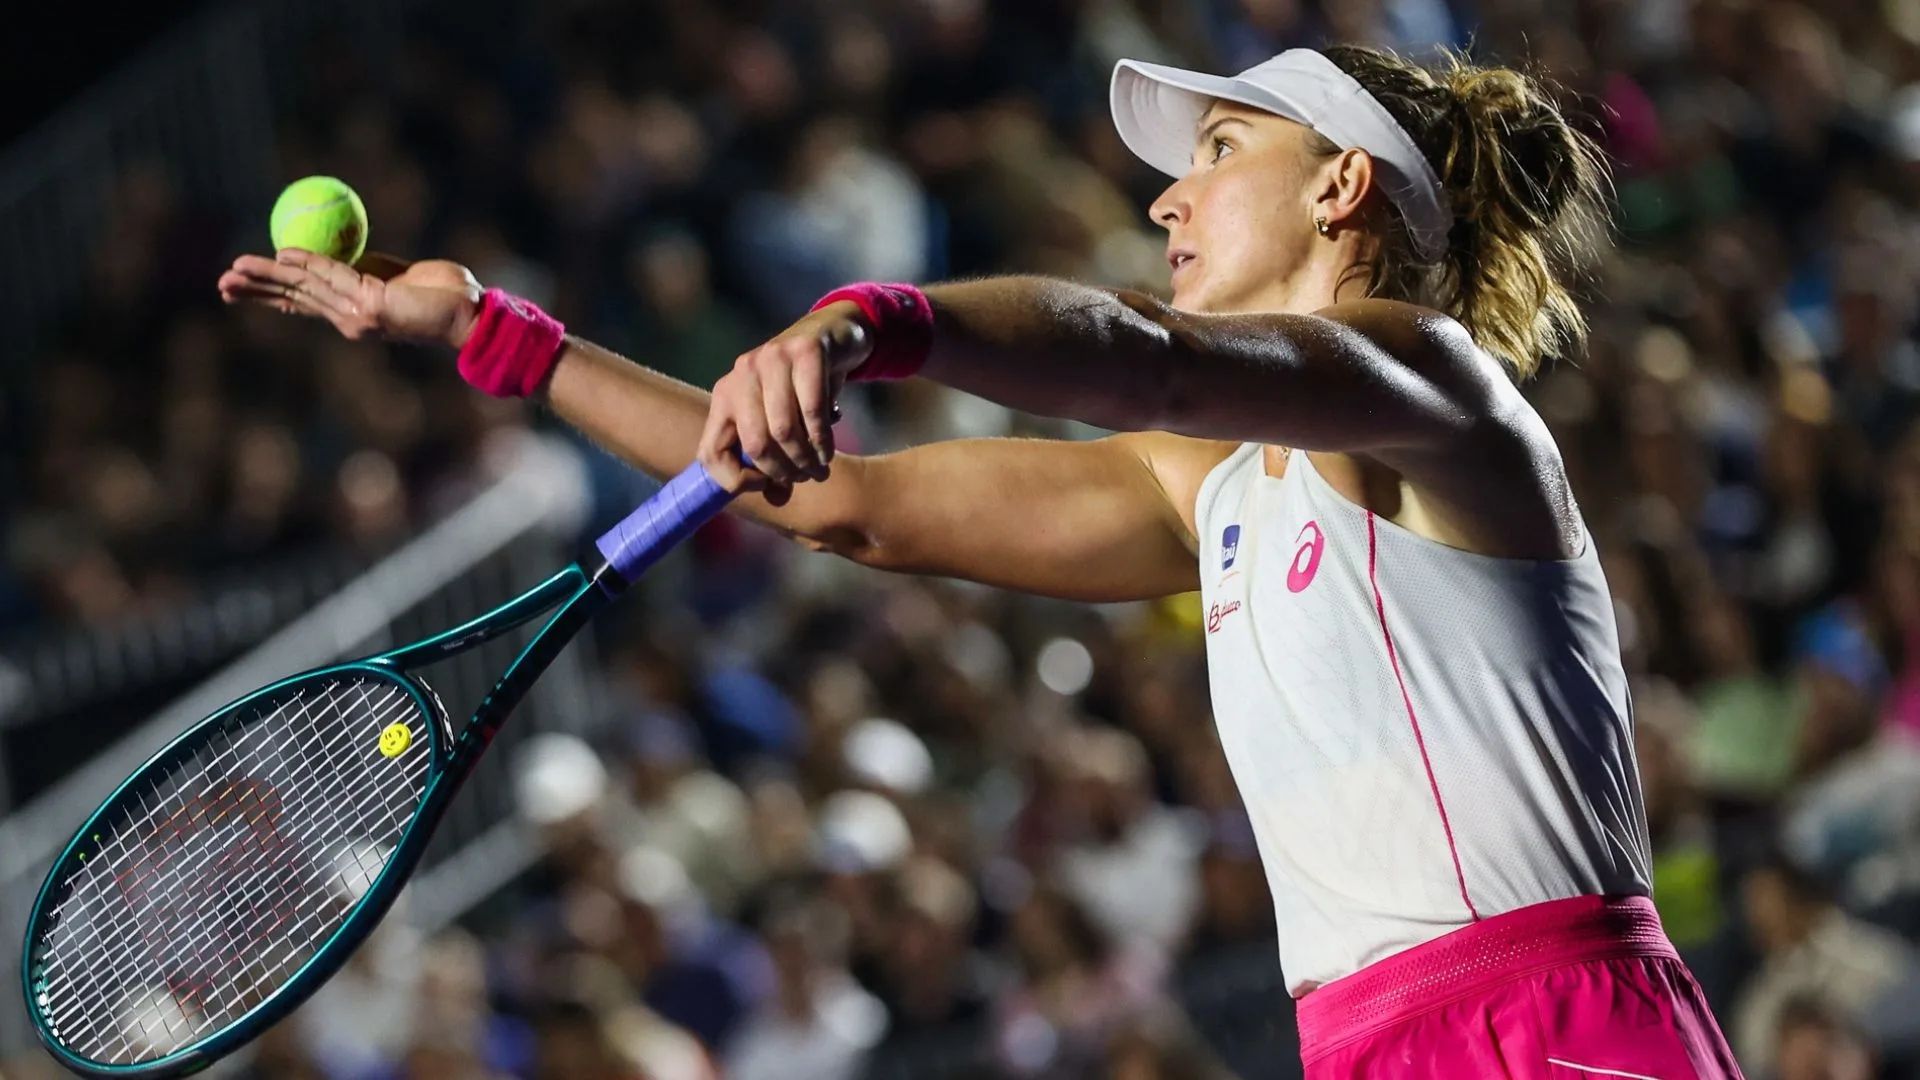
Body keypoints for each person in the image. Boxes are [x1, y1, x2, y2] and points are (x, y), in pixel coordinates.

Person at [220, 43, 1740, 1080]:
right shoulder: (1206, 491)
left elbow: (1144, 354)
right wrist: (504, 336)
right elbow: (840, 508)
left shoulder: (1439, 387)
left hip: (1548, 1019)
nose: (1168, 197)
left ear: (1340, 186)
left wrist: (874, 320)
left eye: (1220, 151)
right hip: (1353, 1047)